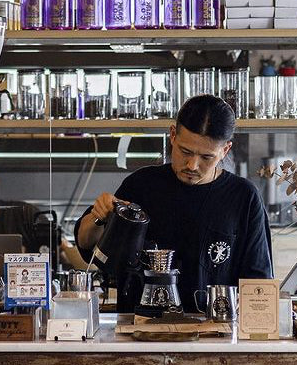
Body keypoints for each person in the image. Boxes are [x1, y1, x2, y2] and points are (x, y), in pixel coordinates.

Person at [75, 94, 273, 312]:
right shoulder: (141, 185)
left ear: (225, 150)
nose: (192, 165)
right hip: (140, 331)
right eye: (185, 151)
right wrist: (98, 215)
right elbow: (86, 244)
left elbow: (258, 284)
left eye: (206, 157)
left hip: (214, 334)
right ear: (172, 135)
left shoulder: (243, 197)